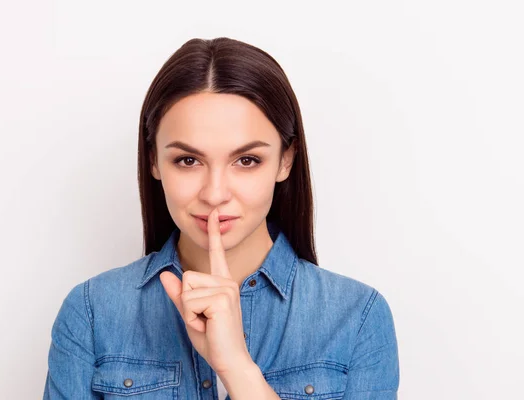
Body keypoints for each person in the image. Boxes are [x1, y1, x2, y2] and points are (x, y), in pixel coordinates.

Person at [43, 37, 400, 399]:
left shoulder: (358, 318)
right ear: (154, 160)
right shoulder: (92, 312)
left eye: (247, 161)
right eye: (187, 160)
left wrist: (236, 367)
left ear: (285, 161)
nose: (214, 194)